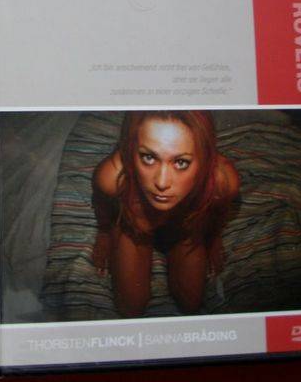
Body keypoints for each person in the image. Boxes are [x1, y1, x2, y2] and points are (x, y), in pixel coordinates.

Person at [92, 110, 240, 317]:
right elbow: (102, 203)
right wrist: (105, 233)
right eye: (149, 157)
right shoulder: (112, 177)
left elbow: (220, 210)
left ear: (205, 159)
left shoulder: (223, 182)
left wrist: (213, 238)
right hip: (135, 225)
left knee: (191, 304)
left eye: (181, 162)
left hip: (186, 227)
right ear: (130, 150)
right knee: (130, 309)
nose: (162, 183)